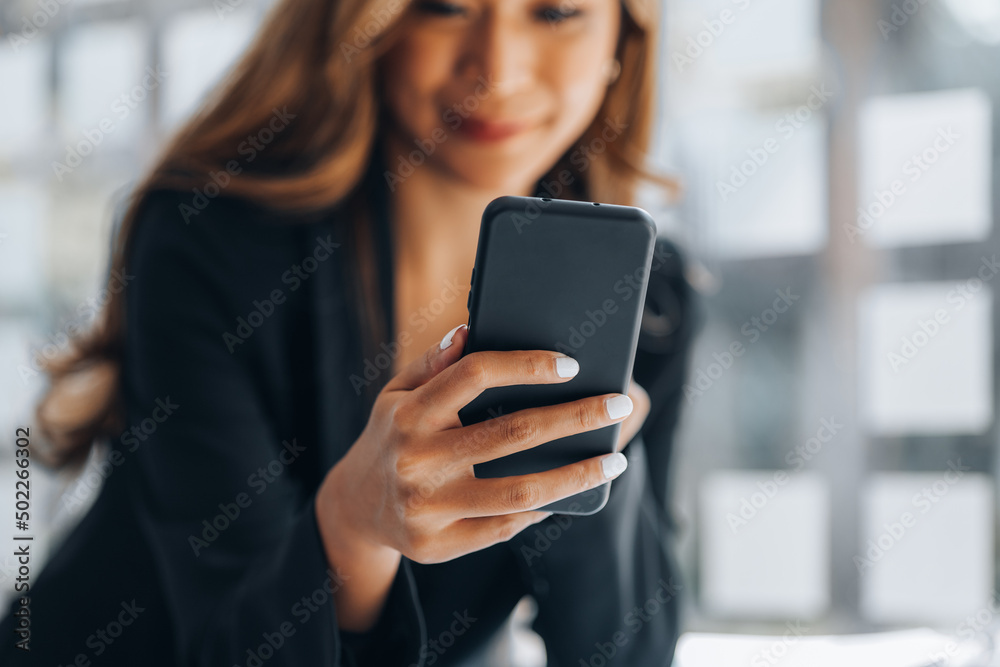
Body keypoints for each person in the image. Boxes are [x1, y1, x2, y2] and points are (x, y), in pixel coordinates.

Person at [1, 0, 695, 664]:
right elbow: (226, 640)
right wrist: (354, 529)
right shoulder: (209, 239)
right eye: (443, 6)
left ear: (621, 46)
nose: (498, 70)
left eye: (557, 12)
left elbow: (625, 651)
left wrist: (594, 468)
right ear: (370, 22)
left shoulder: (648, 301)